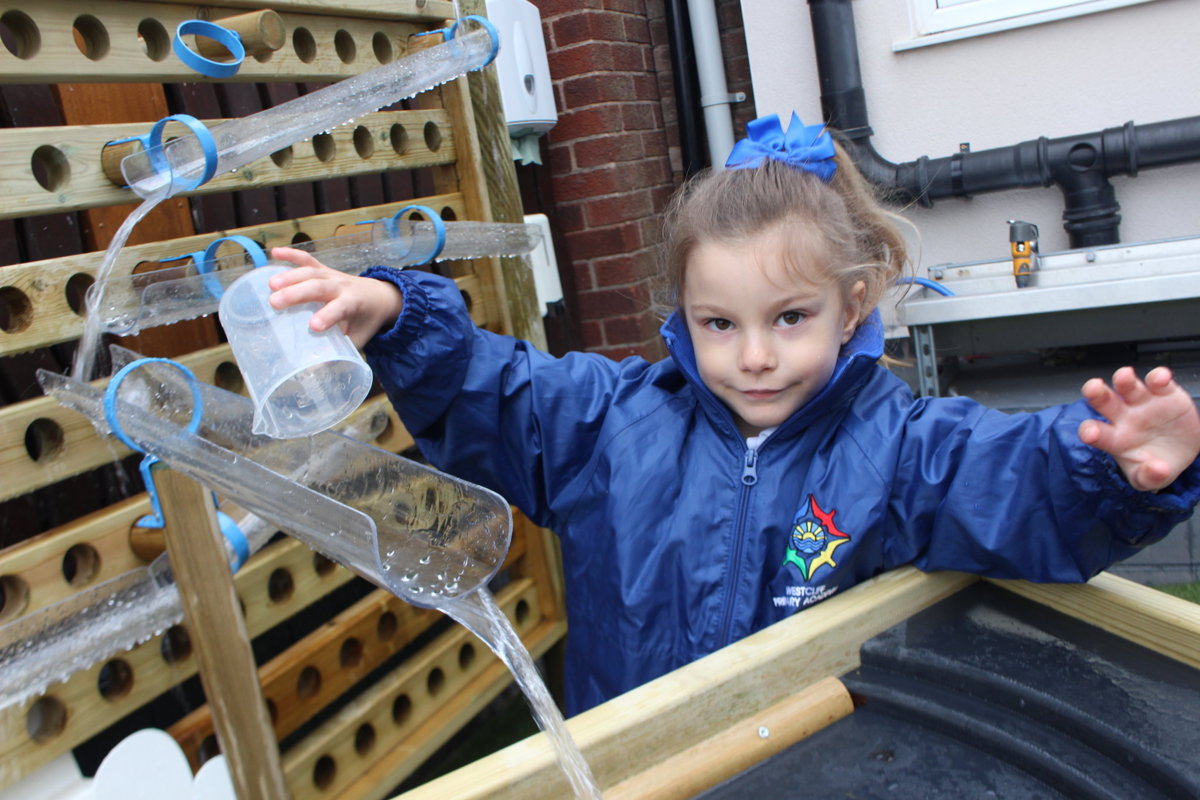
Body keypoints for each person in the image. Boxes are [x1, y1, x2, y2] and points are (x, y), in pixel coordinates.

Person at [266, 112, 1200, 715]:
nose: (753, 355)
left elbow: (1013, 476)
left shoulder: (903, 447)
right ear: (683, 316)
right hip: (632, 765)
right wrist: (396, 318)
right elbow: (496, 390)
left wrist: (1108, 465)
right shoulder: (611, 422)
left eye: (789, 318)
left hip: (810, 768)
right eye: (719, 323)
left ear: (856, 304)